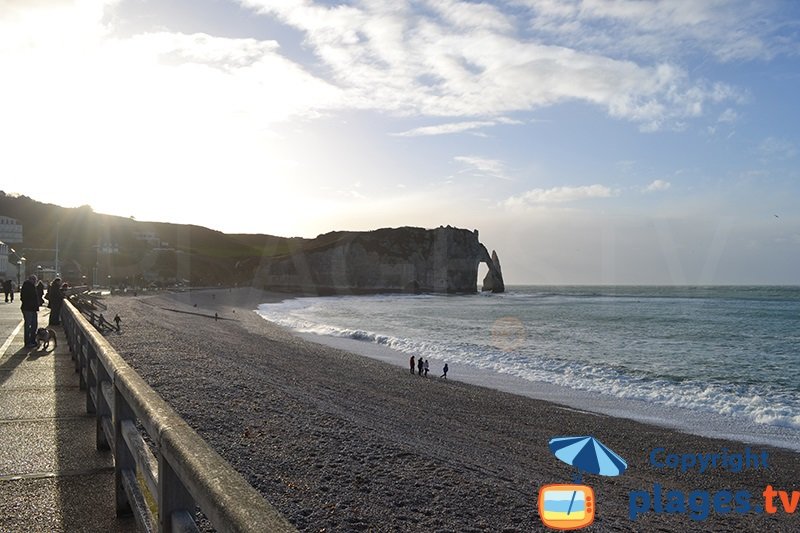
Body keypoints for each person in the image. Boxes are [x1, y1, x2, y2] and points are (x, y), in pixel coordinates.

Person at [20, 275, 40, 347]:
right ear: (33, 280)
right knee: (29, 325)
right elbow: (24, 298)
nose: (36, 282)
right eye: (35, 280)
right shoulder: (28, 286)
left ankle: (32, 340)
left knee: (33, 325)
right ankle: (28, 342)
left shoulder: (29, 286)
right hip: (28, 309)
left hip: (31, 308)